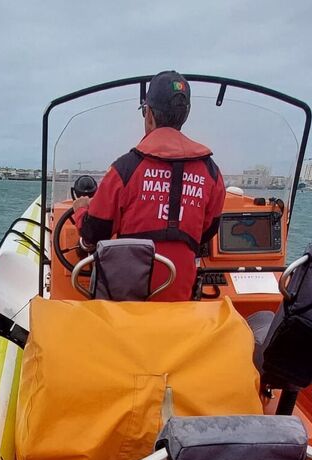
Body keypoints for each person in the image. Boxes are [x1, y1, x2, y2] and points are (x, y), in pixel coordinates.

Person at [73, 71, 226, 301]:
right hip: (181, 302)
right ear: (185, 115)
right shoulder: (212, 173)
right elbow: (208, 230)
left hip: (128, 303)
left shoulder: (125, 169)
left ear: (150, 115)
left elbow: (93, 232)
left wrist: (81, 210)